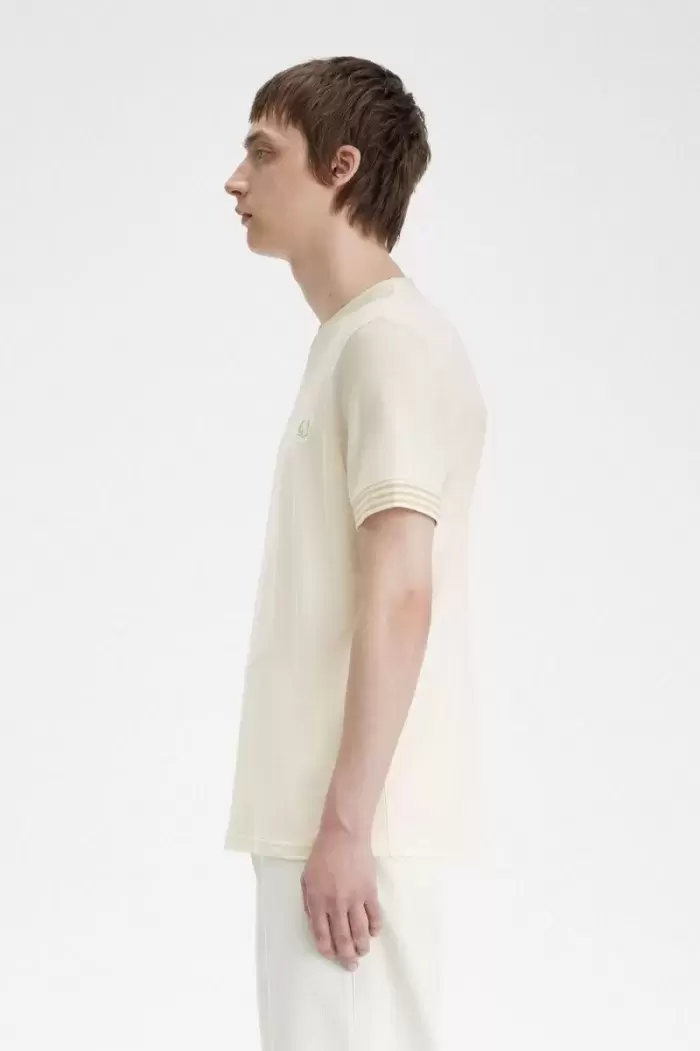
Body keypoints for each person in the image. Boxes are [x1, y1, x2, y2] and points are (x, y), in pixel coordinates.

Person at [222, 55, 488, 1050]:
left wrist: (344, 826)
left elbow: (401, 591)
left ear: (340, 167)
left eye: (262, 152)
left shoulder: (388, 345)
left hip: (352, 831)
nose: (236, 180)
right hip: (328, 821)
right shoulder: (350, 342)